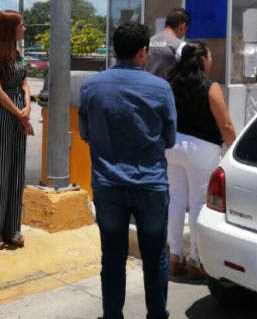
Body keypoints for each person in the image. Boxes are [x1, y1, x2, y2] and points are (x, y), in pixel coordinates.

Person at [78, 22, 177, 319]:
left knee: (112, 257)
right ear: (142, 52)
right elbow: (170, 138)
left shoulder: (91, 86)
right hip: (151, 184)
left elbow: (85, 133)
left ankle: (112, 315)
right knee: (155, 255)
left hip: (108, 184)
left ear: (115, 50)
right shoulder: (161, 88)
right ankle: (157, 314)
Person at [165, 41, 236, 279]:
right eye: (210, 56)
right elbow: (224, 123)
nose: (212, 60)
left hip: (172, 144)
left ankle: (175, 257)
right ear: (202, 59)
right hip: (201, 148)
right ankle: (196, 260)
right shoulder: (209, 86)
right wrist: (235, 148)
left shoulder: (170, 83)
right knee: (198, 204)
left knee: (175, 201)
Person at [0, 10, 33, 251]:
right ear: (10, 27)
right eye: (21, 24)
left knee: (16, 171)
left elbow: (24, 82)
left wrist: (28, 105)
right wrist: (18, 111)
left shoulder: (17, 53)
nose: (24, 28)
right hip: (2, 112)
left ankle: (12, 228)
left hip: (19, 112)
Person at [144, 8, 190, 79]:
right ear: (182, 27)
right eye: (185, 30)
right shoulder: (180, 46)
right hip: (167, 88)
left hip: (145, 87)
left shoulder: (148, 42)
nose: (184, 34)